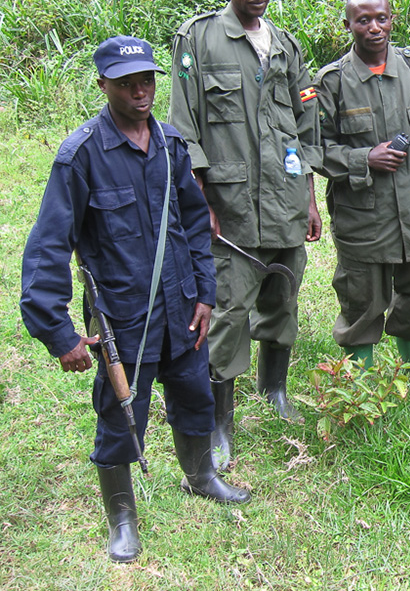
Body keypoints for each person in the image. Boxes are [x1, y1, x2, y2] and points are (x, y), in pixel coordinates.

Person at [21, 36, 249, 564]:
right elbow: (46, 249)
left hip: (183, 307)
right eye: (126, 83)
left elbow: (195, 225)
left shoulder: (171, 146)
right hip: (126, 320)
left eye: (146, 80)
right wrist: (59, 335)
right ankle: (122, 520)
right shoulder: (80, 157)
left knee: (195, 395)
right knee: (123, 413)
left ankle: (200, 475)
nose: (140, 91)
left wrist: (205, 294)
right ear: (103, 85)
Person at [168, 0, 321, 470]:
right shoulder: (199, 39)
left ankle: (273, 390)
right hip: (228, 205)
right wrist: (199, 200)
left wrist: (309, 198)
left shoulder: (285, 45)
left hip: (282, 199)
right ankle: (218, 424)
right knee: (229, 309)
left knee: (283, 293)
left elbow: (304, 128)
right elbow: (184, 128)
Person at [314, 0, 410, 373]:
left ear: (392, 20)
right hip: (363, 209)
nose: (374, 28)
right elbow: (317, 149)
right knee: (363, 294)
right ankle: (361, 371)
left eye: (382, 18)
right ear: (348, 26)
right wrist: (364, 157)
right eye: (363, 20)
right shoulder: (331, 83)